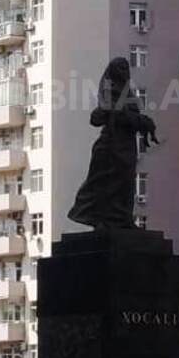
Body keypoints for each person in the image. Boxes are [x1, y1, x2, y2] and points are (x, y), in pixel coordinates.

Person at [66, 57, 158, 229]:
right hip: (110, 147)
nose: (124, 72)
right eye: (120, 68)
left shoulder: (129, 95)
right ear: (112, 72)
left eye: (125, 68)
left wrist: (143, 122)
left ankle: (123, 219)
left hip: (127, 147)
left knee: (126, 184)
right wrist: (137, 120)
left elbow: (130, 117)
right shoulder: (108, 93)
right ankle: (101, 219)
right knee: (104, 184)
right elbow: (100, 117)